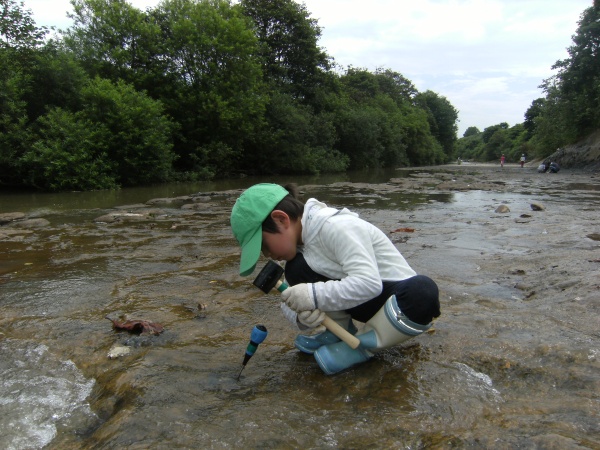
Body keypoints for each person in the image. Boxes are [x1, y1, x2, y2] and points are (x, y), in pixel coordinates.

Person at [230, 183, 440, 375]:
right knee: (296, 269)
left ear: (281, 219)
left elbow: (369, 284)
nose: (267, 255)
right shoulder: (300, 248)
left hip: (394, 304)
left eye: (264, 246)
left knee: (423, 291)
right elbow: (293, 297)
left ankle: (361, 347)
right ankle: (338, 334)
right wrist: (301, 316)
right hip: (362, 301)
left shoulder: (337, 226)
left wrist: (313, 295)